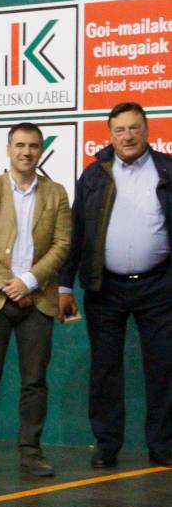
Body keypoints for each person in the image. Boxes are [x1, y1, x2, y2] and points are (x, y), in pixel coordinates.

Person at [59, 102, 172, 468]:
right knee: (105, 369)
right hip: (104, 288)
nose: (128, 135)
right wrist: (63, 287)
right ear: (109, 135)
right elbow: (76, 232)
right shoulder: (94, 176)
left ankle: (163, 446)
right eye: (120, 129)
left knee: (163, 368)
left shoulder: (167, 170)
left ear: (147, 131)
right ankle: (107, 444)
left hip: (160, 286)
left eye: (134, 128)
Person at [0, 122, 72, 478]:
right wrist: (9, 284)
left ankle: (31, 452)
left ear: (41, 151)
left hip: (38, 299)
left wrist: (28, 281)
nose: (27, 152)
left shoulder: (56, 194)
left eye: (34, 146)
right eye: (20, 145)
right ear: (8, 149)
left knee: (34, 381)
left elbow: (62, 245)